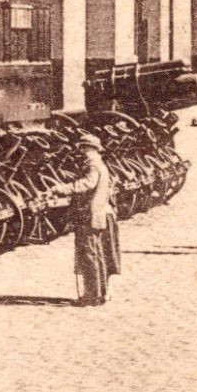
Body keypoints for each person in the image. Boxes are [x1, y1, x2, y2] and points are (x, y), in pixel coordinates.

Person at [66, 132, 119, 307]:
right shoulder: (100, 164)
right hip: (98, 214)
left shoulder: (93, 165)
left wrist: (61, 188)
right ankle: (101, 293)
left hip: (90, 216)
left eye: (83, 148)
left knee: (89, 255)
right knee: (97, 254)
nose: (81, 152)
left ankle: (92, 296)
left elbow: (86, 184)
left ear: (89, 149)